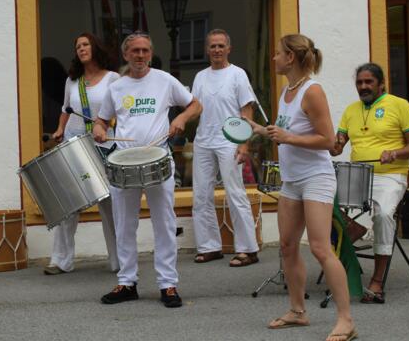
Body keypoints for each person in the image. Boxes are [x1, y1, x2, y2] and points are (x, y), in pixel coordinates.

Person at [247, 34, 356, 341]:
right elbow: (286, 132)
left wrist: (287, 138)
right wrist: (262, 130)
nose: (274, 58)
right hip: (292, 179)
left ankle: (346, 320)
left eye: (278, 53)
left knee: (320, 248)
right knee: (287, 246)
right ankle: (297, 311)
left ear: (290, 58)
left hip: (316, 178)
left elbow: (328, 140)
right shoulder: (287, 91)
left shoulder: (313, 91)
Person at [93, 31, 202, 308]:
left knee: (164, 223)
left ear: (150, 54)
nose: (140, 55)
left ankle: (168, 284)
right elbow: (101, 121)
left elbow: (195, 104)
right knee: (124, 224)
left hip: (158, 159)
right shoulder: (117, 87)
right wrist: (99, 130)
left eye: (145, 50)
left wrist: (181, 118)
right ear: (126, 55)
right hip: (124, 162)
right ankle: (127, 282)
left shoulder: (164, 80)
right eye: (135, 51)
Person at [331, 62, 409, 304]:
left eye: (368, 82)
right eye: (359, 82)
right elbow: (338, 143)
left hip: (389, 175)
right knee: (321, 200)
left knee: (382, 215)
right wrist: (333, 145)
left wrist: (395, 153)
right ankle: (354, 227)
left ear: (381, 84)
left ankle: (377, 281)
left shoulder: (399, 105)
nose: (363, 86)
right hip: (357, 174)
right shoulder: (351, 110)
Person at [45, 33, 120, 275]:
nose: (81, 49)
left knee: (110, 205)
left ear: (95, 48)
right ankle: (61, 261)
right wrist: (60, 129)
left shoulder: (113, 78)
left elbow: (119, 111)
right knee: (69, 204)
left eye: (85, 44)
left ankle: (119, 261)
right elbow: (66, 110)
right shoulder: (72, 81)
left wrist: (106, 126)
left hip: (103, 146)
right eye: (78, 46)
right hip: (75, 146)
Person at [191, 29, 260, 267]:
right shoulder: (200, 76)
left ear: (229, 48)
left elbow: (247, 109)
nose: (217, 50)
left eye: (221, 46)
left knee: (235, 193)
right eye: (213, 46)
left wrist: (244, 143)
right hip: (203, 140)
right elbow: (195, 108)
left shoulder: (237, 74)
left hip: (229, 140)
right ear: (207, 49)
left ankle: (248, 249)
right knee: (201, 195)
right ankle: (209, 247)